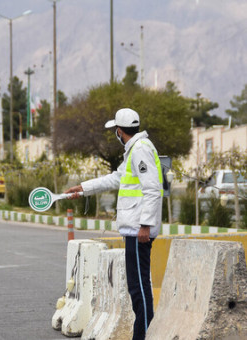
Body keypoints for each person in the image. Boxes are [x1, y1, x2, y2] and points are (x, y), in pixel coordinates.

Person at [65, 108, 163, 340]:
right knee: (136, 289)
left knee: (140, 289)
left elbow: (152, 189)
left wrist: (145, 226)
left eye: (115, 131)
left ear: (119, 131)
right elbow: (116, 178)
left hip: (139, 231)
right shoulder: (134, 151)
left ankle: (144, 336)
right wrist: (84, 187)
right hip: (134, 229)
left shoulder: (140, 150)